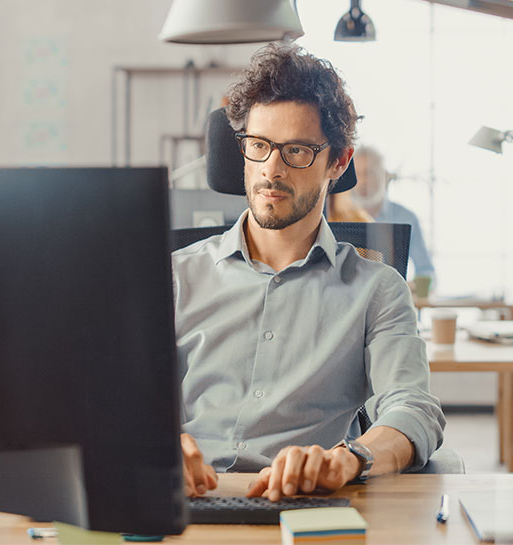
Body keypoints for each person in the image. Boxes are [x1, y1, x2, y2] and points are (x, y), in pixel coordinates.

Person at [171, 43, 445, 502]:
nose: (270, 171)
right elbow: (115, 402)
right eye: (258, 146)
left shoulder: (377, 290)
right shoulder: (174, 277)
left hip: (304, 505)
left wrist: (350, 458)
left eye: (296, 151)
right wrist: (149, 447)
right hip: (184, 504)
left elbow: (412, 408)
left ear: (337, 162)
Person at [350, 147, 436, 285]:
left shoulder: (406, 218)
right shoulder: (337, 215)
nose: (362, 181)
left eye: (369, 173)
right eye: (357, 174)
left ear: (384, 175)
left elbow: (427, 273)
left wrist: (408, 287)